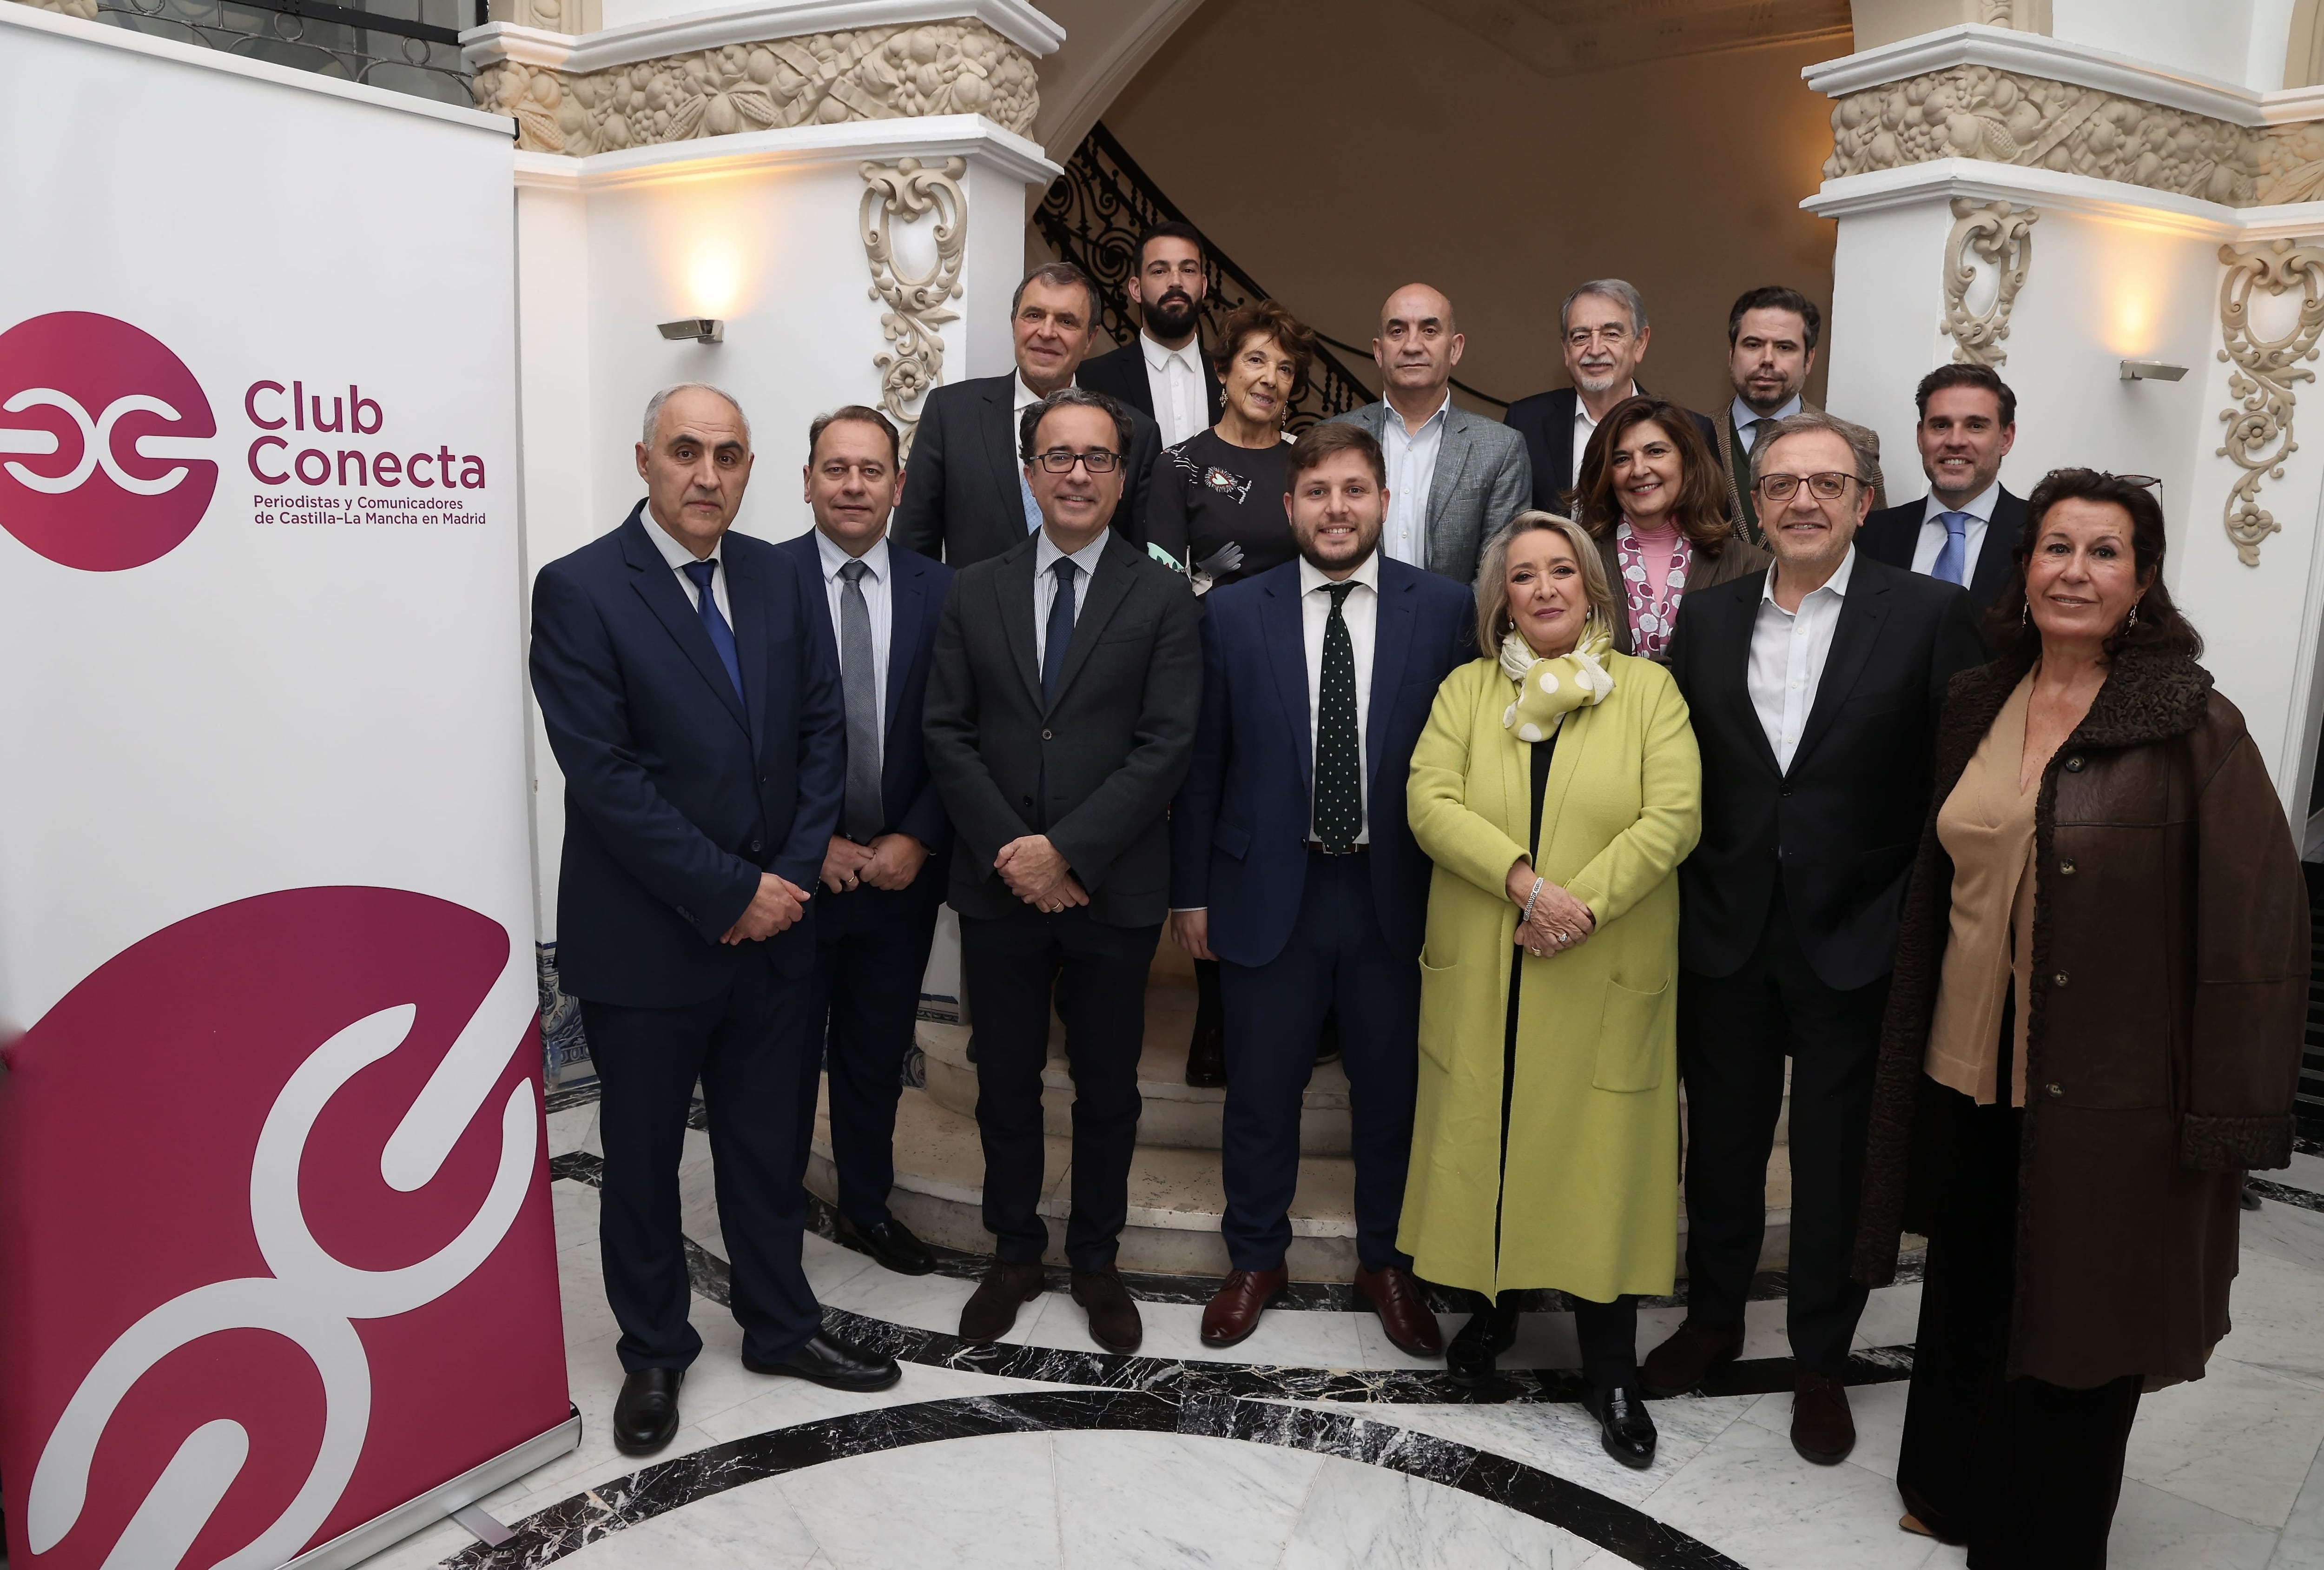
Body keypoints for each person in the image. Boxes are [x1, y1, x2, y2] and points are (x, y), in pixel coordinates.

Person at [1854, 470, 2308, 1565]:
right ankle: (1950, 1486)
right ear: (2024, 566)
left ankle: (2043, 1539)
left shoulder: (2191, 722)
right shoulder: (1977, 696)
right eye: (2056, 547)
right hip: (1965, 1068)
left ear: (2141, 582)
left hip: (2107, 1092)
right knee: (1969, 1289)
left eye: (2104, 553)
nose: (2074, 571)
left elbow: (2257, 931)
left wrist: (2224, 1117)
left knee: (2078, 1317)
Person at [529, 384, 901, 1458]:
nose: (707, 474)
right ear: (644, 459)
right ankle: (654, 1348)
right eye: (686, 452)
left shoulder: (781, 576)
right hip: (647, 941)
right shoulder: (583, 590)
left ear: (749, 470)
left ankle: (781, 1324)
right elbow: (606, 779)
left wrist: (780, 881)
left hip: (777, 934)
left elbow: (821, 735)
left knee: (765, 1145)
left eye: (728, 456)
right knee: (642, 1163)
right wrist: (729, 889)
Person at [1648, 411, 1983, 1467]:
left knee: (1835, 1161)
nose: (1802, 500)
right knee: (1726, 1150)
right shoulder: (1702, 622)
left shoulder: (1932, 615)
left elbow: (1954, 784)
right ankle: (1712, 1321)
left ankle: (1819, 1360)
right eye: (1782, 482)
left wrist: (1908, 925)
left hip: (1857, 940)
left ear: (1862, 500)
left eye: (1826, 483)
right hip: (1726, 932)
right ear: (1754, 498)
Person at [1400, 510, 1701, 1467]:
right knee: (1487, 1140)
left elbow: (1675, 815)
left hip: (1599, 965)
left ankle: (1610, 1365)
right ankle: (1492, 1318)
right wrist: (1524, 884)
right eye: (1522, 575)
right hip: (1492, 960)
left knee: (1598, 1160)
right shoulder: (1464, 692)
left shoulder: (1649, 691)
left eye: (1559, 571)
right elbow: (1427, 800)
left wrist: (1579, 905)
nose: (1541, 589)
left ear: (1591, 587)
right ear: (1501, 597)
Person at [1169, 423, 1473, 1355]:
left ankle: (1388, 1259)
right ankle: (1256, 1254)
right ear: (1289, 505)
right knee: (1261, 1088)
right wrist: (1191, 892)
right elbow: (1202, 762)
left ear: (1383, 502)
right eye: (1317, 491)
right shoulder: (1230, 611)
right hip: (1270, 887)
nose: (1336, 507)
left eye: (1354, 489)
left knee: (1391, 1091)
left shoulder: (1447, 607)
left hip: (1396, 891)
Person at [923, 386, 1202, 1354]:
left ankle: (1095, 1257)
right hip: (999, 889)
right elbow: (946, 731)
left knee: (1108, 1089)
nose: (1077, 473)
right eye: (1058, 455)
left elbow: (1166, 744)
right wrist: (1020, 853)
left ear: (1124, 478)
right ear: (1029, 470)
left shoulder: (1163, 595)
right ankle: (1012, 1248)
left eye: (1097, 457)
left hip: (1111, 890)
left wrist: (1070, 850)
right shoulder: (974, 587)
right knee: (1002, 1078)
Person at [776, 405, 953, 1278]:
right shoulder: (756, 580)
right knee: (774, 1060)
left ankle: (868, 1206)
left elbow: (959, 732)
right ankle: (769, 1221)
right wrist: (809, 846)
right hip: (792, 881)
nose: (852, 485)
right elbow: (745, 740)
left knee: (876, 1056)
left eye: (870, 470)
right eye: (835, 468)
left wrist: (918, 836)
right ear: (806, 479)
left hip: (898, 879)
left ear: (899, 485)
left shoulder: (942, 591)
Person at [1148, 298, 1316, 1088]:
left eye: (1285, 368)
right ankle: (1215, 1016)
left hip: (1300, 674)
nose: (1270, 379)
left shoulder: (1309, 462)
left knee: (1288, 829)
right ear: (1223, 370)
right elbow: (1156, 575)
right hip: (1207, 672)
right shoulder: (1179, 463)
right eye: (1255, 360)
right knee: (1217, 834)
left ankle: (1299, 1007)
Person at [893, 261, 1163, 567]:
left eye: (1066, 321)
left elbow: (1144, 570)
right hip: (974, 614)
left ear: (1090, 338)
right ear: (1014, 324)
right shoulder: (950, 414)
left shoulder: (1135, 430)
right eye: (1034, 315)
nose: (1046, 332)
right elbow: (912, 555)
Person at [1328, 283, 1531, 587]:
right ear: (1379, 351)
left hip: (1457, 632)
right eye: (1397, 331)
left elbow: (1498, 572)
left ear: (1455, 348)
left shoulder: (1501, 449)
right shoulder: (1332, 437)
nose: (1412, 345)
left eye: (1429, 331)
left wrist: (1451, 634)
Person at [1572, 393, 1769, 662]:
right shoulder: (1576, 562)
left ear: (1687, 461)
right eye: (1621, 459)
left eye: (1655, 452)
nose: (1639, 470)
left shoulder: (1752, 566)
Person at [1503, 279, 1714, 514]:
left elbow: (1710, 528)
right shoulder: (1524, 423)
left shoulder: (1693, 430)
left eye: (1611, 334)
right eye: (1581, 337)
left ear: (1640, 343)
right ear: (1566, 350)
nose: (1595, 350)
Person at [1710, 286, 1885, 542]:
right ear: (1732, 354)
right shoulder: (1690, 435)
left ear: (1809, 359)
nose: (1767, 359)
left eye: (1784, 347)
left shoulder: (1857, 443)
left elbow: (1875, 544)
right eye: (1753, 344)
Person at [1858, 364, 2023, 621]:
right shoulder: (1871, 534)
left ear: (2006, 438)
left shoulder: (2038, 533)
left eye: (1976, 426)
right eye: (1941, 426)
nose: (1955, 441)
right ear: (1921, 437)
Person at [1077, 220, 1222, 449]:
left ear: (1203, 286)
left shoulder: (1230, 377)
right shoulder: (1091, 379)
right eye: (1159, 271)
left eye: (1188, 270)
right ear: (1136, 289)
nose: (1176, 281)